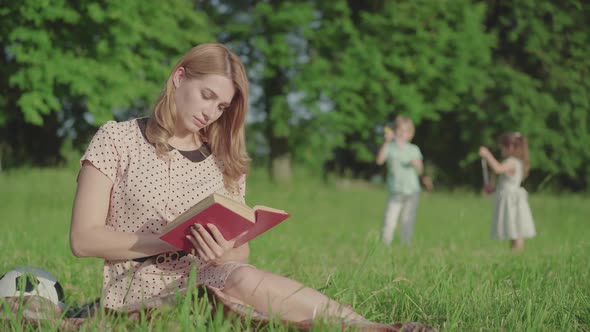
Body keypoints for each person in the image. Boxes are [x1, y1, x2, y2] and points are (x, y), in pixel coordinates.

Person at [69, 43, 434, 331]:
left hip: (213, 278)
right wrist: (169, 240)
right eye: (207, 95)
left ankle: (368, 327)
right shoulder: (117, 139)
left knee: (240, 276)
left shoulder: (223, 160)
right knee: (229, 298)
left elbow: (241, 255)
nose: (211, 112)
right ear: (180, 77)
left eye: (222, 105)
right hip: (137, 292)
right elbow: (83, 240)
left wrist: (222, 250)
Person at [479, 132, 536, 251]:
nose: (501, 151)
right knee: (513, 227)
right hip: (511, 197)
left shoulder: (512, 161)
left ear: (510, 147)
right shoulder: (517, 162)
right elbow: (506, 183)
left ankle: (517, 252)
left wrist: (487, 154)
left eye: (502, 148)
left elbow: (498, 169)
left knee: (516, 228)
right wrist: (493, 189)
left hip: (511, 200)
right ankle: (514, 252)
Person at [376, 116, 424, 245]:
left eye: (406, 131)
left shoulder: (413, 149)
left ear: (410, 134)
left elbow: (420, 169)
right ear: (394, 131)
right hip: (395, 191)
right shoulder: (390, 148)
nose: (402, 133)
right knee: (389, 219)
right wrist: (386, 142)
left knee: (407, 220)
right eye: (399, 130)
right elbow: (379, 160)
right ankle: (385, 243)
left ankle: (405, 244)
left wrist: (416, 164)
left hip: (411, 191)